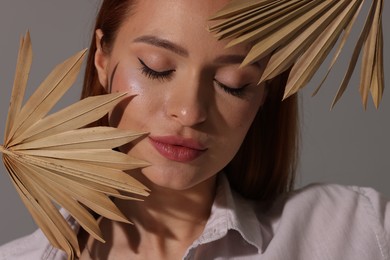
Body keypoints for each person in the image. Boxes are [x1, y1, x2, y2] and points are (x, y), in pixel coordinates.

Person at [0, 0, 389, 259]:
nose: (189, 111)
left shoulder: (354, 231)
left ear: (265, 93)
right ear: (102, 58)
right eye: (156, 66)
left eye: (232, 83)